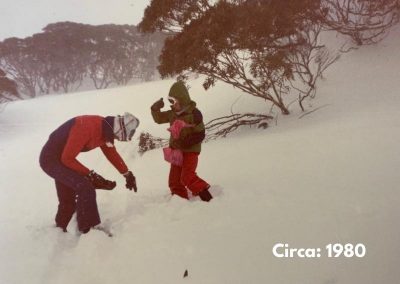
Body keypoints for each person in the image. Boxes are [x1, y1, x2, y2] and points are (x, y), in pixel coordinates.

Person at [39, 113, 139, 234]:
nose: (117, 139)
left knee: (68, 197)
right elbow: (67, 158)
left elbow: (112, 154)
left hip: (62, 159)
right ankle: (89, 228)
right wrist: (91, 175)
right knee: (85, 187)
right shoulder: (87, 127)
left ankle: (60, 228)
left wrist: (127, 174)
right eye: (118, 137)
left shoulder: (106, 129)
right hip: (51, 159)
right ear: (120, 129)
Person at [151, 81, 212, 202]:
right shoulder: (172, 114)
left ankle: (207, 197)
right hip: (176, 151)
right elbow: (158, 119)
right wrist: (155, 108)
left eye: (173, 101)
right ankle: (180, 201)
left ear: (182, 100)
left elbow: (200, 134)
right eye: (170, 101)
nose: (171, 104)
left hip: (190, 151)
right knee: (174, 180)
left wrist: (185, 143)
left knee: (187, 176)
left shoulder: (194, 114)